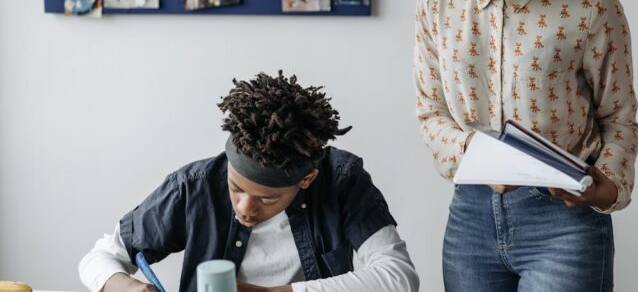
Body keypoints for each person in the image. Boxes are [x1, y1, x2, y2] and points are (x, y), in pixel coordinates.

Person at [413, 0, 638, 291]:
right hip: (470, 218)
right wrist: (478, 156)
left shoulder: (591, 4)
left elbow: (618, 116)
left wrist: (609, 183)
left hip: (565, 224)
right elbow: (431, 108)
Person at [79, 72, 419, 292]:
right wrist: (124, 287)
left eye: (268, 199)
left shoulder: (341, 182)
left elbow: (399, 277)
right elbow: (100, 257)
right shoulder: (195, 186)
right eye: (236, 187)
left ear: (307, 179)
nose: (245, 208)